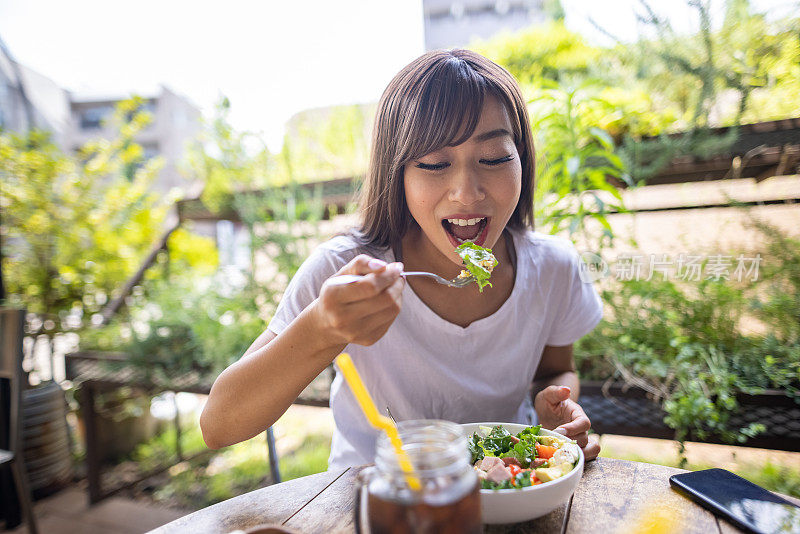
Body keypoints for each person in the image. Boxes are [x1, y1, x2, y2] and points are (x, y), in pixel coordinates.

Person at [200, 49, 604, 469]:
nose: (467, 191)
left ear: (521, 159)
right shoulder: (345, 270)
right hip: (376, 495)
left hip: (508, 485)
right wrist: (321, 329)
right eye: (434, 163)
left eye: (494, 158)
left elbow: (555, 371)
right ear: (398, 174)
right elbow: (219, 426)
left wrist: (553, 405)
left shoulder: (553, 269)